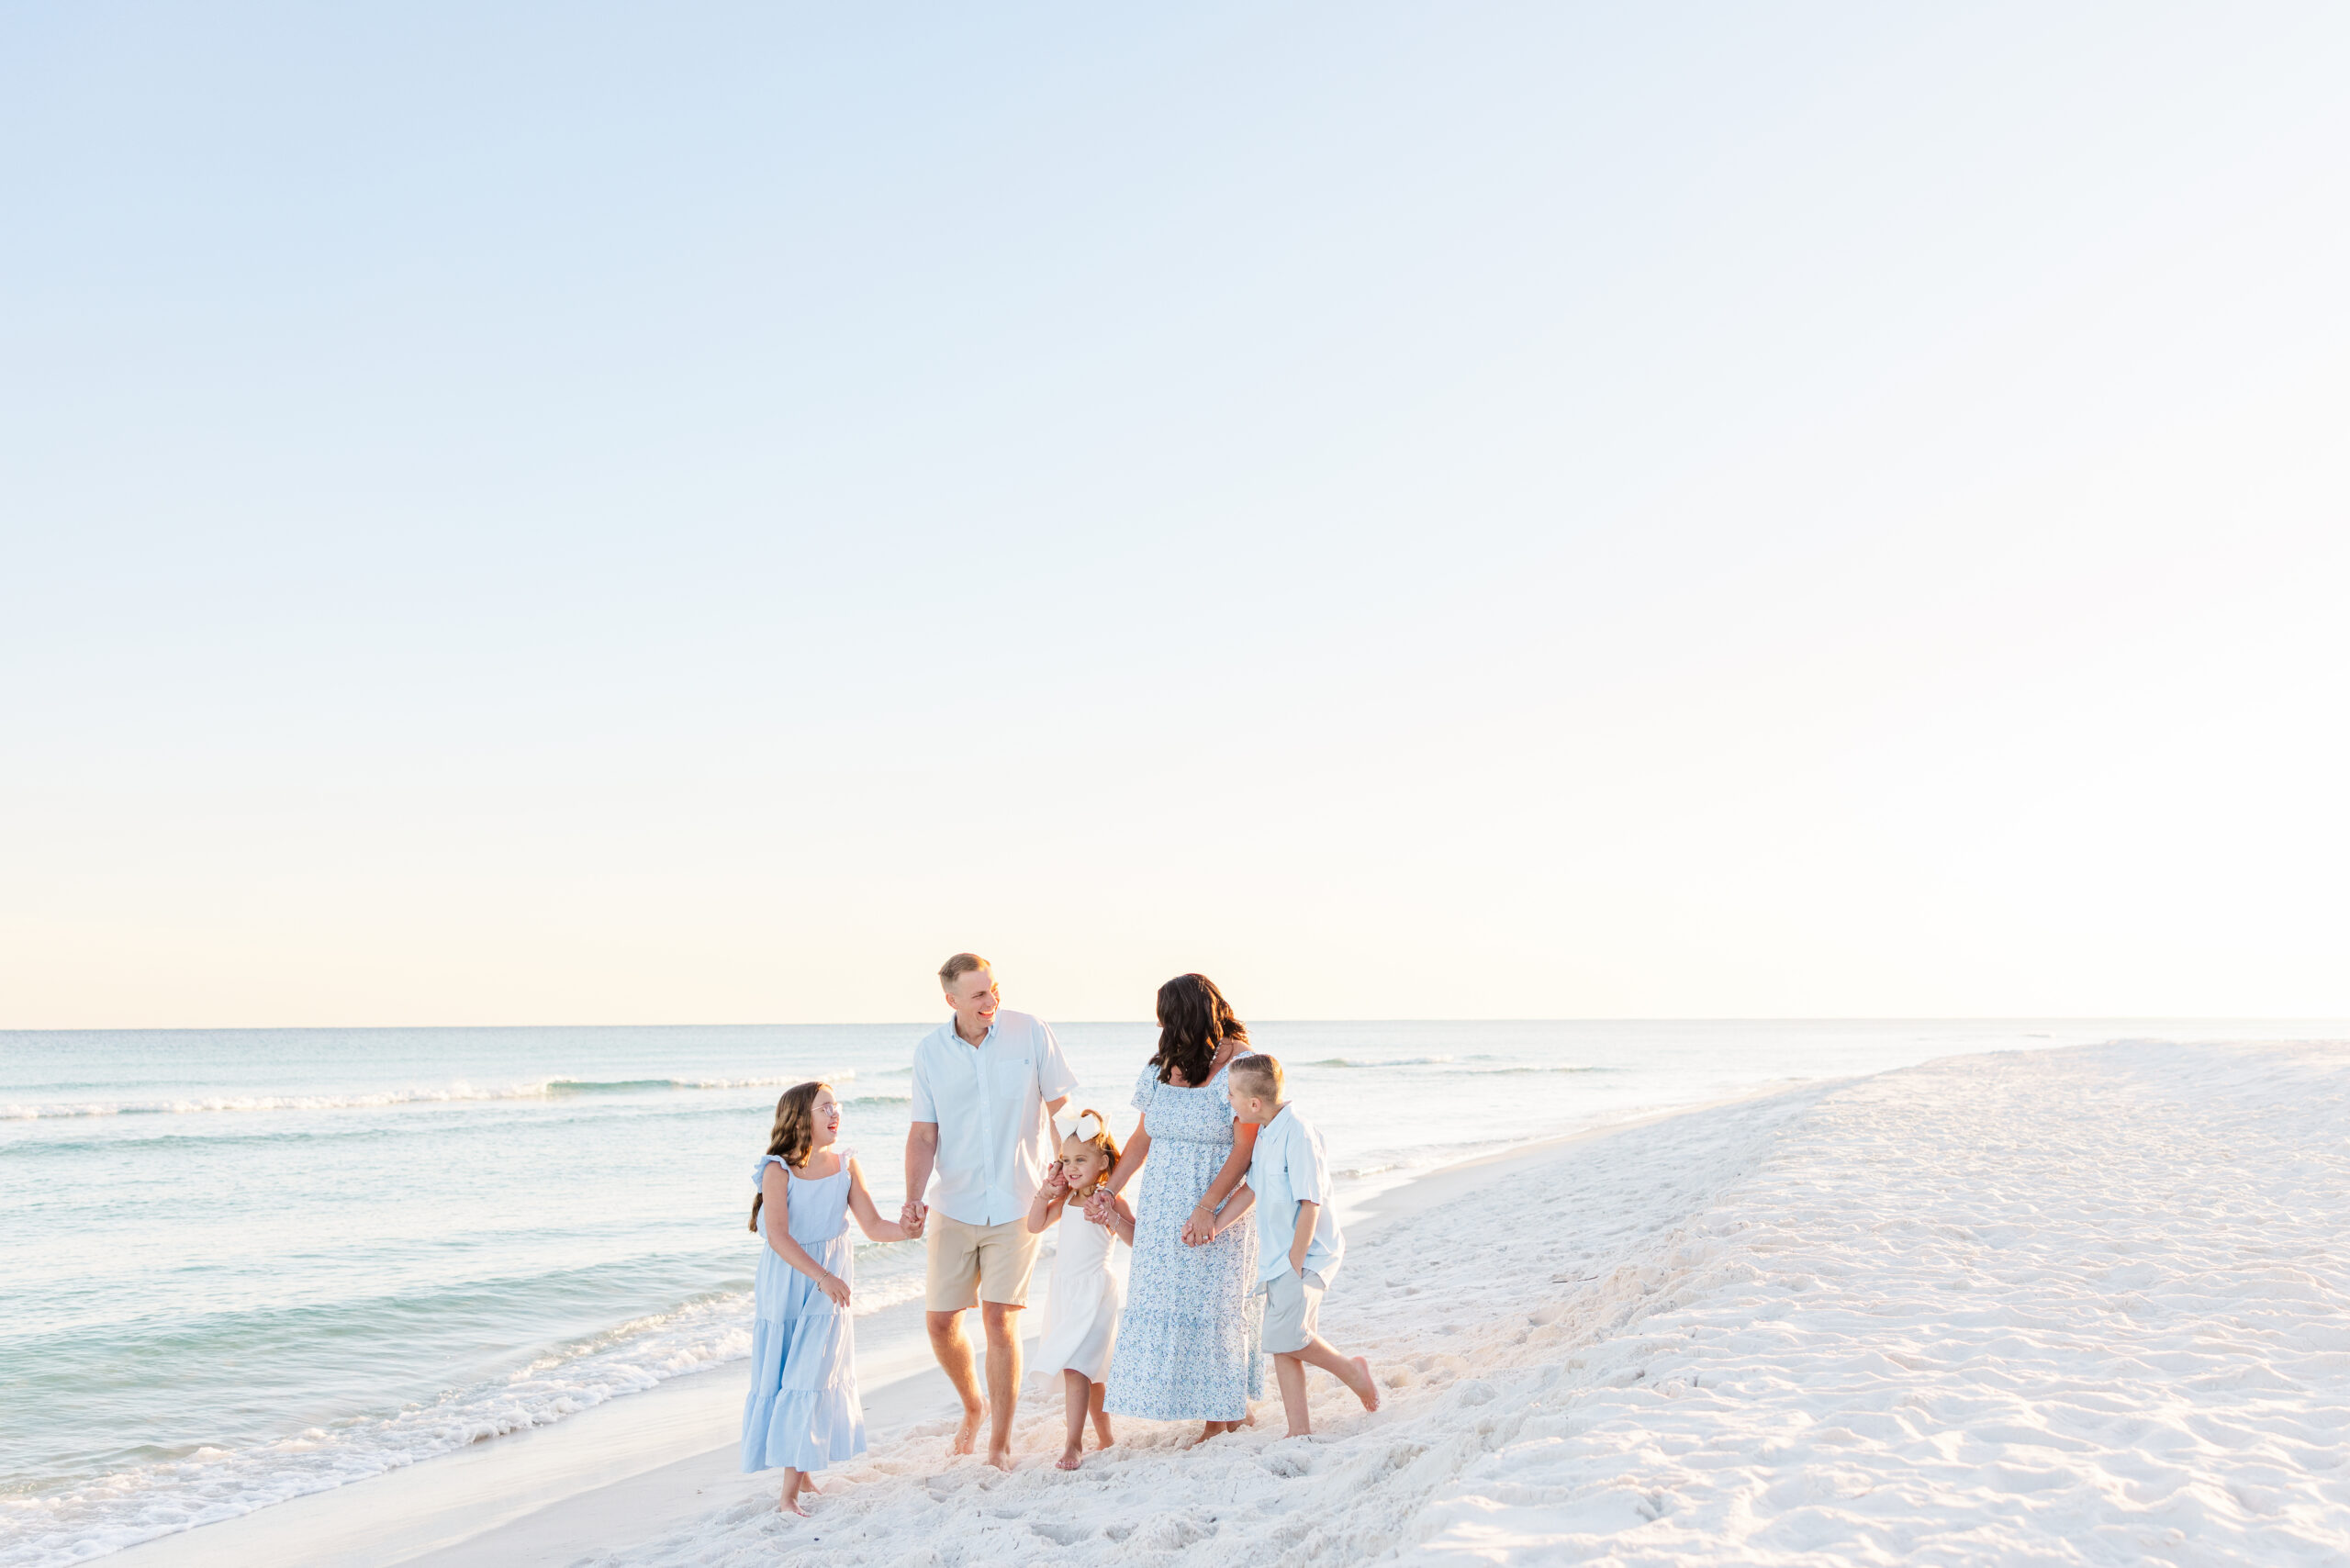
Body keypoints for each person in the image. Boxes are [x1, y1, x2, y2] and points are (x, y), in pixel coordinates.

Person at [901, 953, 1077, 1469]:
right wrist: (913, 1197)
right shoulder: (930, 1053)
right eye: (978, 994)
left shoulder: (1030, 1033)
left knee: (1000, 1319)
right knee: (940, 1322)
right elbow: (923, 1133)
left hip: (1019, 1201)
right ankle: (973, 1405)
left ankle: (1000, 1442)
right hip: (953, 1203)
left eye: (994, 990)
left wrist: (1073, 1173)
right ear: (951, 1000)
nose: (991, 1001)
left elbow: (1059, 1108)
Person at [1094, 973, 1265, 1442]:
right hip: (1161, 1206)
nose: (1163, 1032)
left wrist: (1208, 1207)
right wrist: (1110, 1188)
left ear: (1195, 1016)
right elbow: (1140, 1138)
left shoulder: (1243, 1067)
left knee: (1214, 1306)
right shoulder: (1162, 1067)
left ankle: (1222, 1417)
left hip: (1217, 1205)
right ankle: (1221, 1411)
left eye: (1170, 1021)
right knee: (1168, 1303)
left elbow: (1244, 1151)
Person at [741, 1081, 912, 1516]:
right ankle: (791, 1491)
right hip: (793, 1283)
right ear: (801, 1118)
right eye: (825, 1108)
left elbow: (873, 1226)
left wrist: (908, 1229)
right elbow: (778, 1236)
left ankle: (796, 1485)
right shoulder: (778, 1169)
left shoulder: (846, 1166)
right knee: (792, 1377)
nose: (835, 1114)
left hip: (827, 1287)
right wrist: (821, 1276)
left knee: (811, 1375)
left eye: (837, 1106)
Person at [1214, 1051, 1381, 1436]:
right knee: (1286, 1344)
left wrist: (1296, 1259)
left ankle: (1353, 1371)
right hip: (1277, 1257)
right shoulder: (1267, 1132)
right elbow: (1251, 1188)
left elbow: (1311, 1202)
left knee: (1285, 1338)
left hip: (1305, 1254)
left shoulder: (1299, 1133)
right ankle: (1299, 1429)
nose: (1229, 1101)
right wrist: (1214, 1225)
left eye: (1232, 1095)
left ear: (1254, 1104)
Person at [1024, 1109, 1134, 1470]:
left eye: (1080, 1160)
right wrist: (1046, 1191)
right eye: (1065, 1160)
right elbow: (1034, 1224)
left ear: (1103, 1162)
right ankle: (1105, 1438)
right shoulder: (1066, 1201)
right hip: (1065, 1294)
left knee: (1077, 1368)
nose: (1071, 1168)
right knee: (1092, 1373)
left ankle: (1073, 1444)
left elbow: (1136, 1239)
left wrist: (1111, 1218)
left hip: (1094, 1294)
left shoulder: (1108, 1199)